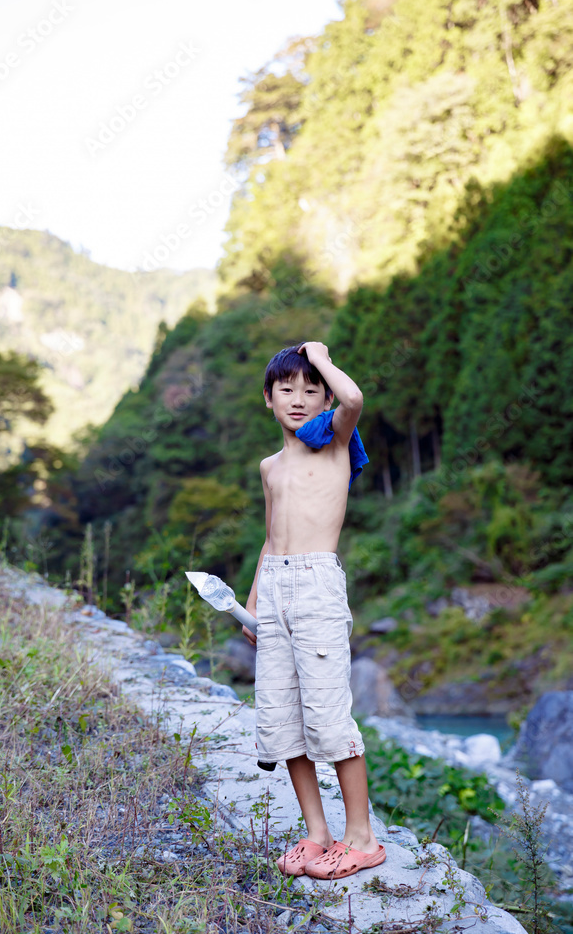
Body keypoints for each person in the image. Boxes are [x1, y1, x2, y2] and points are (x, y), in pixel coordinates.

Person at [242, 340, 386, 881]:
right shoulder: (269, 466)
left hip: (316, 584)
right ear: (268, 398)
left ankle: (362, 838)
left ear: (325, 397)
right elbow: (269, 536)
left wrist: (320, 357)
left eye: (311, 390)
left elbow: (354, 396)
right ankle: (317, 834)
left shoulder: (334, 445)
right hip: (275, 587)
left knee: (327, 715)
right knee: (284, 721)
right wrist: (253, 604)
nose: (298, 399)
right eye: (287, 389)